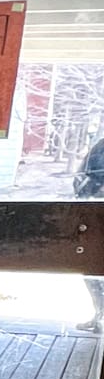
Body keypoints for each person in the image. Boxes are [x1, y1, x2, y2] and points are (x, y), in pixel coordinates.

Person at [74, 132, 104, 332]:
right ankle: (99, 314)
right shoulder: (101, 147)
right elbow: (83, 178)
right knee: (91, 271)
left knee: (92, 270)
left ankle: (99, 315)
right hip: (95, 218)